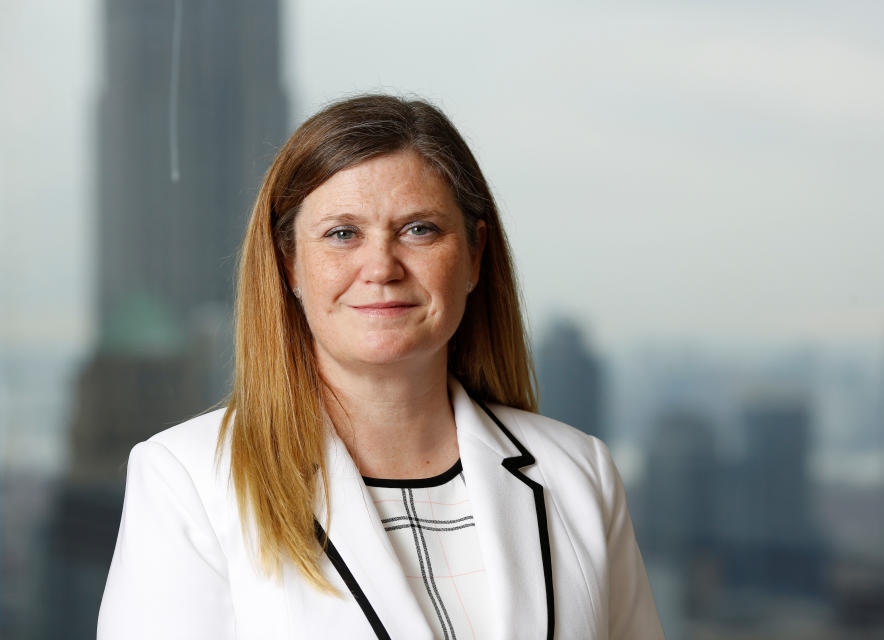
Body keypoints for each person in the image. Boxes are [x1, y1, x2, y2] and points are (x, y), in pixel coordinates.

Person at [98, 94, 664, 640]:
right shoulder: (188, 479)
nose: (381, 267)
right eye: (342, 234)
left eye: (419, 229)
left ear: (474, 255)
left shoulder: (577, 472)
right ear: (289, 263)